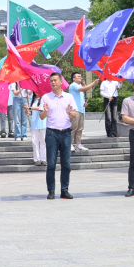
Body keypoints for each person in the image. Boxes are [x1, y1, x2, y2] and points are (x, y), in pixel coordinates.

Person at [41, 72, 78, 200]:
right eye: (51, 81)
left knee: (66, 164)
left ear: (61, 81)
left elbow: (74, 115)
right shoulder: (46, 97)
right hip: (52, 133)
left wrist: (70, 113)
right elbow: (41, 116)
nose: (53, 82)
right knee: (51, 164)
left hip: (66, 133)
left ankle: (64, 190)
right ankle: (51, 191)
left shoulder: (69, 97)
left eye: (55, 80)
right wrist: (45, 112)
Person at [68, 72, 99, 152]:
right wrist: (94, 83)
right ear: (73, 78)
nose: (80, 77)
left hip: (81, 110)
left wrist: (84, 104)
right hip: (75, 110)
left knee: (80, 129)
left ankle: (78, 145)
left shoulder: (80, 86)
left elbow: (80, 98)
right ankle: (70, 144)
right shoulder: (73, 85)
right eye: (78, 76)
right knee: (73, 128)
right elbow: (85, 89)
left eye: (81, 76)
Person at [26, 92, 46, 166]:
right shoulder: (33, 100)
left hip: (43, 123)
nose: (36, 92)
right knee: (35, 142)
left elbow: (41, 108)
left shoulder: (44, 99)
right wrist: (28, 112)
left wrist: (29, 108)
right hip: (34, 124)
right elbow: (32, 112)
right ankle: (37, 159)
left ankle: (43, 159)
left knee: (43, 142)